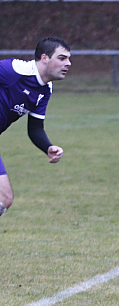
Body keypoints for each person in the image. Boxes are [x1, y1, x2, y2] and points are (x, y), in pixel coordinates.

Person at [0, 37, 70, 218]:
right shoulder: (14, 70)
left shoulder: (45, 90)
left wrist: (48, 147)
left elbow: (35, 129)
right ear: (45, 58)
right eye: (62, 58)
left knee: (4, 199)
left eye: (68, 59)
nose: (68, 63)